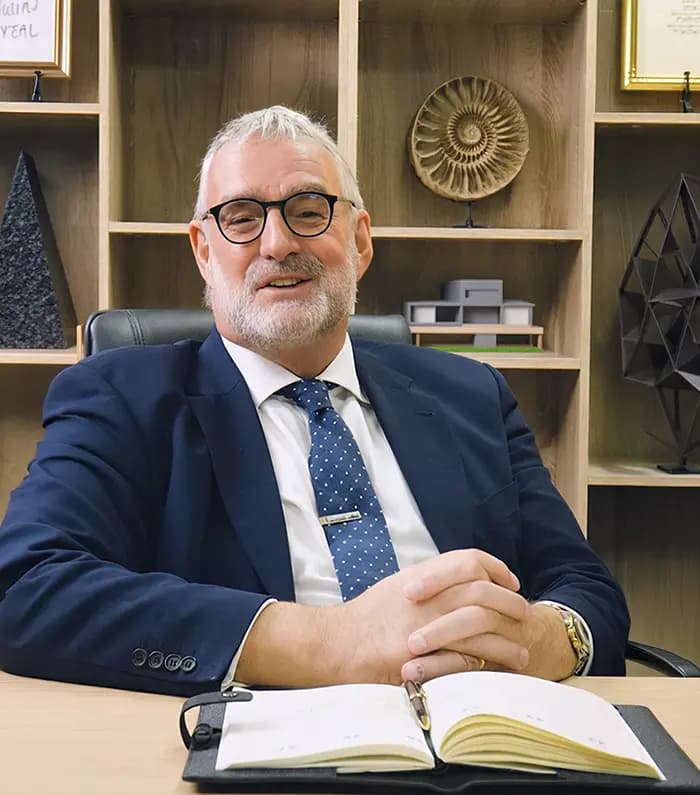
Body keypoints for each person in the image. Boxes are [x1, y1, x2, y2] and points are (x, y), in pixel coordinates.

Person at [0, 106, 629, 696]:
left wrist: (540, 642)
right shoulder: (120, 397)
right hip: (263, 749)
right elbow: (24, 588)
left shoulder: (473, 393)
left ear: (359, 241)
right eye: (242, 217)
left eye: (308, 209)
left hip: (480, 738)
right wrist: (330, 644)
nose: (276, 244)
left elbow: (584, 587)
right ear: (203, 250)